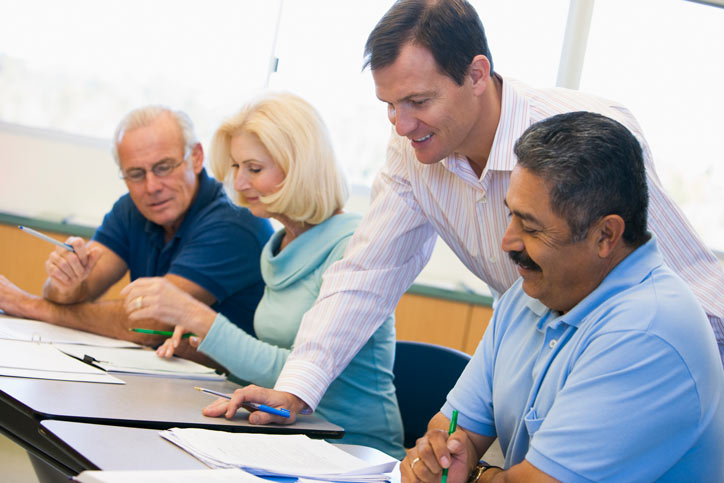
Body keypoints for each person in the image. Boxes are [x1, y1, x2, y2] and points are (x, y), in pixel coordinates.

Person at [218, 0, 724, 423]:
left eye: (418, 101)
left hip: (659, 360)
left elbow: (673, 281)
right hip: (549, 352)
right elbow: (367, 272)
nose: (401, 124)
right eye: (389, 104)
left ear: (477, 74)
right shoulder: (414, 155)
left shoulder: (583, 135)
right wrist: (298, 388)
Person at [401, 111, 724, 482]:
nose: (507, 241)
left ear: (606, 235)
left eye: (531, 227)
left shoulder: (648, 331)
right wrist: (440, 455)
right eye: (511, 216)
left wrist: (475, 475)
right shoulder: (530, 295)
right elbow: (452, 429)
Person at [119, 93, 406, 459]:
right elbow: (272, 362)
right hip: (283, 435)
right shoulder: (280, 244)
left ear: (300, 167)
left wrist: (200, 319)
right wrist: (201, 343)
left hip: (346, 448)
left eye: (253, 169)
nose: (238, 183)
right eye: (237, 168)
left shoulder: (354, 246)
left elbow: (300, 372)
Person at [0, 105, 272, 352]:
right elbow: (68, 292)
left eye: (163, 167)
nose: (152, 187)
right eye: (136, 174)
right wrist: (66, 283)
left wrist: (28, 305)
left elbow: (148, 325)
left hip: (229, 393)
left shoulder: (235, 220)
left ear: (197, 157)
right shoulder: (132, 208)